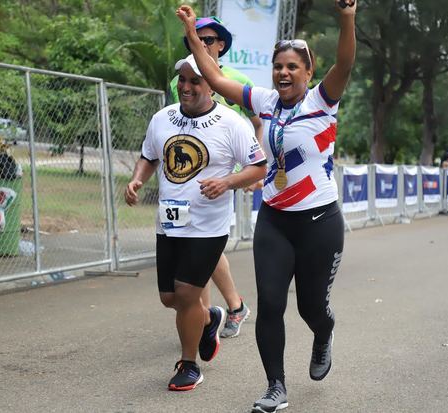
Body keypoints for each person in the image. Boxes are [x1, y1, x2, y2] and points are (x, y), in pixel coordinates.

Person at [177, 1, 355, 411]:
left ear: (308, 73)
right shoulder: (264, 102)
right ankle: (276, 387)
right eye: (278, 66)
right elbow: (215, 77)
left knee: (312, 307)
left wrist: (347, 18)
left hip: (319, 221)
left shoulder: (322, 101)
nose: (284, 73)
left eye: (293, 67)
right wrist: (192, 32)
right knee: (271, 304)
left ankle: (324, 333)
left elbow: (345, 63)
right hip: (274, 220)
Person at [124, 54, 267, 392]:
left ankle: (189, 365)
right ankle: (210, 317)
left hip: (208, 226)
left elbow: (258, 167)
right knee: (170, 298)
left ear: (211, 86)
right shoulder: (163, 118)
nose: (185, 87)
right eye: (182, 81)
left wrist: (227, 182)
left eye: (194, 81)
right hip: (168, 223)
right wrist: (137, 180)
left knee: (188, 294)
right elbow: (149, 155)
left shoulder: (231, 123)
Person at [169, 15, 263, 338]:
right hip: (189, 176)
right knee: (195, 246)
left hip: (225, 177)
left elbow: (257, 124)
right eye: (196, 40)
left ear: (221, 44)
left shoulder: (236, 79)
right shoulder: (179, 80)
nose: (202, 45)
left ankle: (218, 314)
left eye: (208, 40)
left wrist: (254, 172)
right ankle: (213, 315)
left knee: (203, 246)